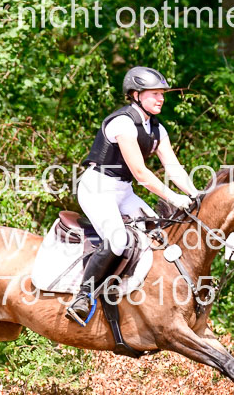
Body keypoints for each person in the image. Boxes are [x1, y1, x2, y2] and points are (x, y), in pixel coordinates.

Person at [65, 66, 199, 326]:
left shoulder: (157, 129)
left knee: (158, 233)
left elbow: (173, 167)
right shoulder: (124, 123)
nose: (161, 98)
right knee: (117, 241)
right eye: (155, 94)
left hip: (123, 190)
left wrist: (195, 194)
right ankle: (83, 297)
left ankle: (136, 293)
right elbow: (141, 173)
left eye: (162, 94)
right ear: (136, 95)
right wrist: (174, 198)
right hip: (98, 189)